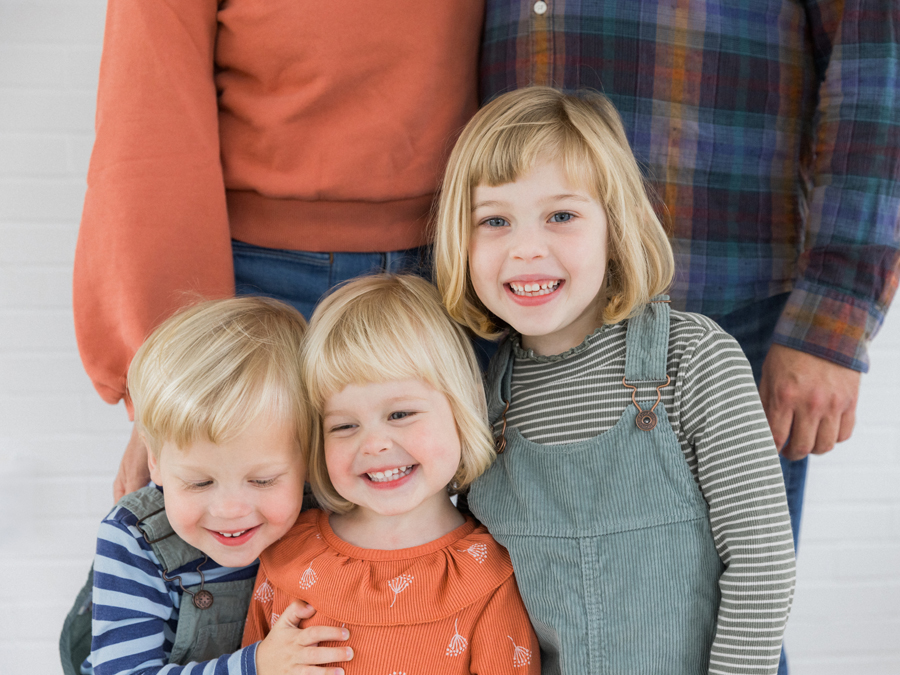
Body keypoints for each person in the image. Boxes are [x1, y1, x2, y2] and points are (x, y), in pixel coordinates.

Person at [479, 0, 900, 563]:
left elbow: (878, 77)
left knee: (710, 614)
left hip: (714, 308)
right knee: (533, 614)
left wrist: (835, 316)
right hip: (512, 324)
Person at [434, 87, 796, 674]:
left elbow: (763, 567)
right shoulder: (478, 404)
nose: (527, 249)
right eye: (494, 220)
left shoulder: (695, 361)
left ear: (615, 226)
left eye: (562, 216)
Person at [72, 0, 484, 501]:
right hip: (259, 276)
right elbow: (150, 114)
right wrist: (161, 377)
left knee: (448, 559)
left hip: (460, 266)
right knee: (210, 559)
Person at [242, 275, 540, 674]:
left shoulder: (491, 571)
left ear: (459, 410)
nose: (375, 444)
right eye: (344, 426)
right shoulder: (288, 554)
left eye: (400, 414)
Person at [68, 297, 350, 675]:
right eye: (199, 482)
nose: (230, 509)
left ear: (309, 461)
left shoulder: (329, 512)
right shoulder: (135, 541)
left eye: (262, 480)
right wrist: (255, 667)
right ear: (156, 462)